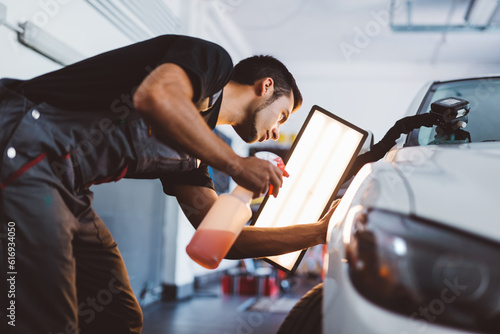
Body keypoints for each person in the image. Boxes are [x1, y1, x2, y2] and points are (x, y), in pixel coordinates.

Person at [0, 34, 337, 334]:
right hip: (26, 145)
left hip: (67, 187)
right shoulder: (212, 61)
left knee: (117, 314)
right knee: (39, 315)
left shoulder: (193, 155)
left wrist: (319, 232)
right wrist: (236, 164)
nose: (277, 131)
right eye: (282, 115)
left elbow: (224, 241)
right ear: (265, 87)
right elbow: (157, 96)